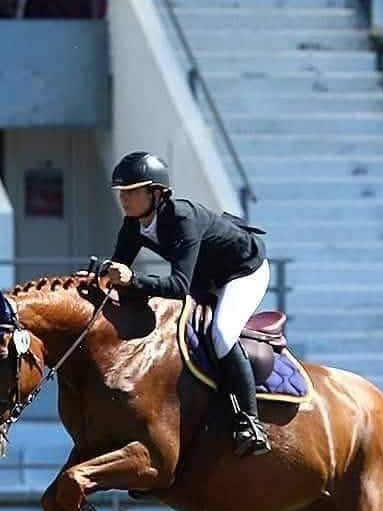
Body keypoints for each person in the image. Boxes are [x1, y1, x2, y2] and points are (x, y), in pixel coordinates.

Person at [103, 151, 272, 458]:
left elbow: (179, 286)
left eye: (132, 191)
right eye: (121, 192)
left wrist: (133, 280)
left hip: (242, 272)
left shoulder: (182, 218)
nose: (124, 198)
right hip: (205, 276)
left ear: (156, 193)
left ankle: (250, 422)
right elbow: (118, 269)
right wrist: (98, 278)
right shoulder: (133, 225)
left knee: (221, 334)